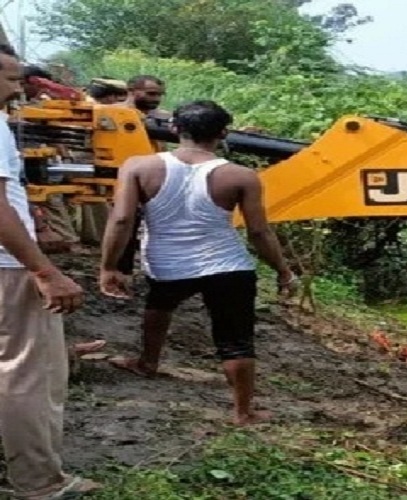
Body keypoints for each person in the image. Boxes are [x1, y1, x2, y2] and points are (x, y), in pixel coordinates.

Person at [99, 99, 299, 426]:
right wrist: (283, 271)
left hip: (167, 264)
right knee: (235, 339)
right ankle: (243, 412)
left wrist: (109, 266)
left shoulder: (138, 166)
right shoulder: (241, 175)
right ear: (223, 133)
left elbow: (121, 220)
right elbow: (259, 232)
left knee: (159, 305)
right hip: (229, 266)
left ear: (175, 129)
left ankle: (148, 363)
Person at [0, 44, 101, 498]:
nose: (17, 86)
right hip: (8, 268)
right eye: (7, 76)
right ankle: (39, 483)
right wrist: (44, 271)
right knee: (29, 375)